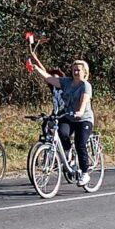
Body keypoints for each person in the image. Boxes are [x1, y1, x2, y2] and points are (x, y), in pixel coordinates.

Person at [30, 58, 95, 186]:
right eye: (74, 70)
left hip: (83, 119)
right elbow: (49, 79)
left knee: (80, 143)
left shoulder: (85, 86)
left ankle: (84, 173)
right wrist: (37, 69)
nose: (75, 72)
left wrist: (80, 111)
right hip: (69, 116)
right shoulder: (66, 82)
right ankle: (68, 153)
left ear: (84, 72)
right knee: (61, 132)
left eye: (78, 70)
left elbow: (84, 101)